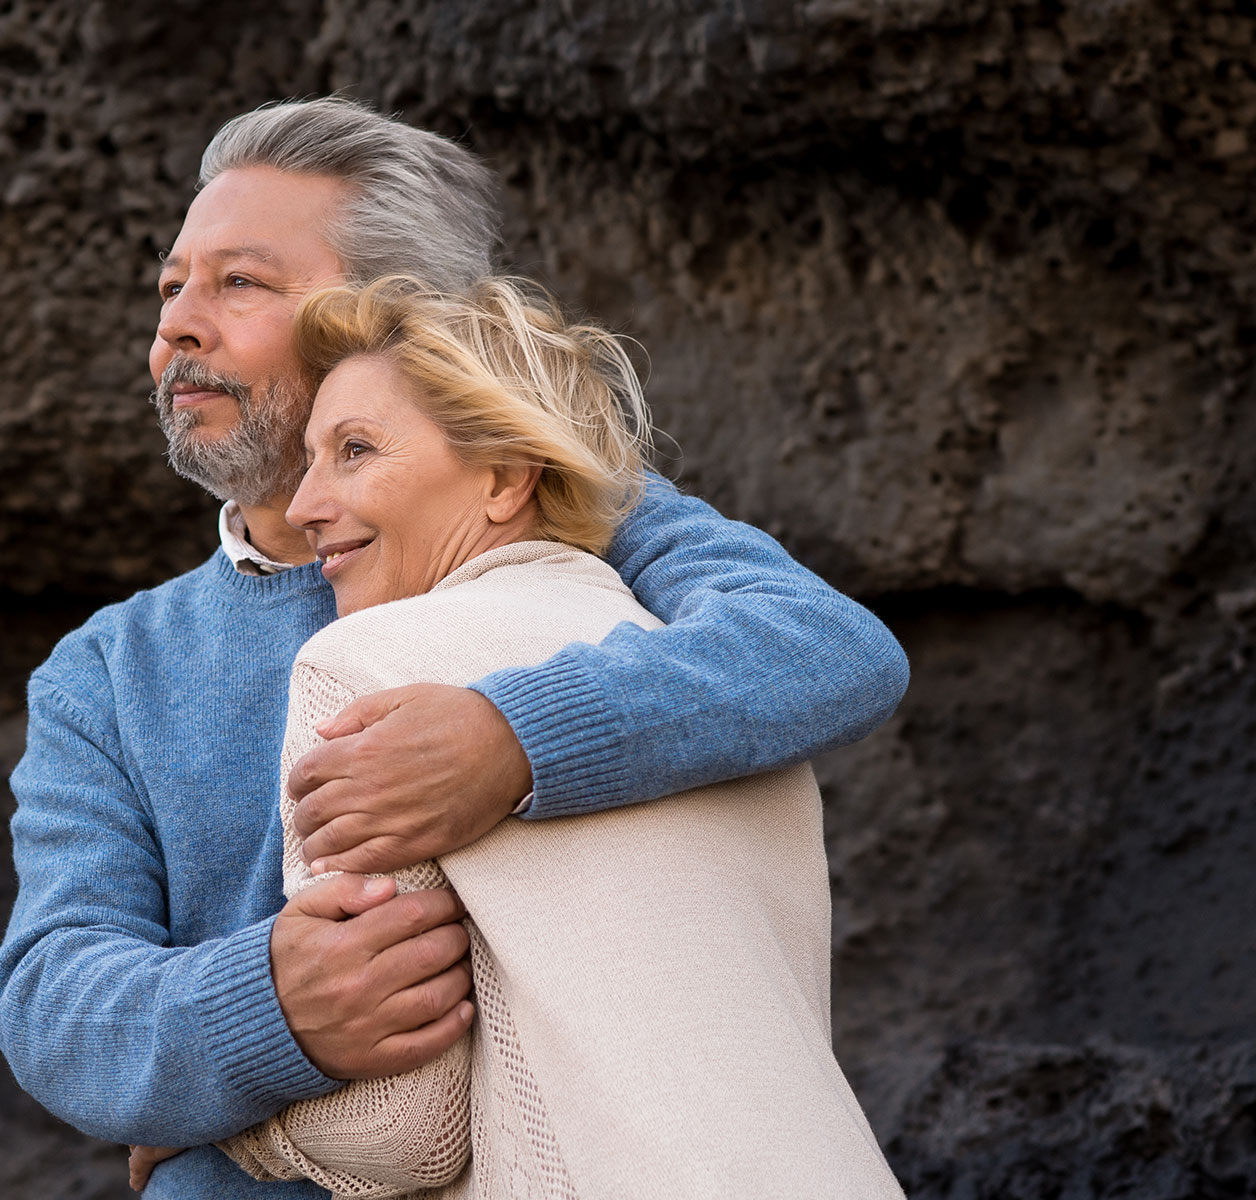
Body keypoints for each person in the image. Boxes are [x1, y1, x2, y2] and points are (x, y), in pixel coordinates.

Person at [0, 97, 909, 1199]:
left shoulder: (585, 510)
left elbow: (823, 647)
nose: (178, 324)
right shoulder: (111, 667)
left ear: (396, 315)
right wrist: (266, 1009)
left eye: (241, 282)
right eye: (172, 285)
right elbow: (52, 994)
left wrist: (512, 742)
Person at [208, 275, 903, 1197]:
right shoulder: (724, 691)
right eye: (309, 461)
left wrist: (218, 1126)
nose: (303, 507)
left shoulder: (368, 665)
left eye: (356, 451)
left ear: (503, 477)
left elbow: (401, 1131)